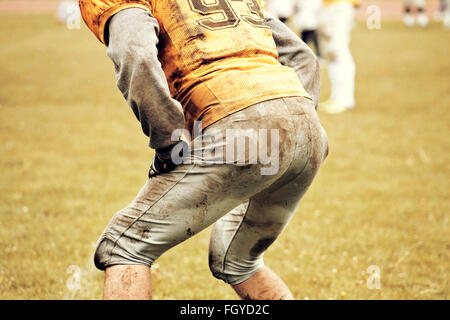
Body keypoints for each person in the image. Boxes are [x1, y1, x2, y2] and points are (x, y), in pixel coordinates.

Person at [79, 0, 328, 300]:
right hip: (307, 128)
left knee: (125, 247)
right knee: (236, 260)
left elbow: (136, 54)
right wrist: (295, 122)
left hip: (238, 119)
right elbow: (304, 57)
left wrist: (168, 145)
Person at [318, 0, 360, 114]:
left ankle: (345, 99)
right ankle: (336, 97)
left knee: (339, 51)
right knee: (332, 53)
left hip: (340, 6)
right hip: (330, 6)